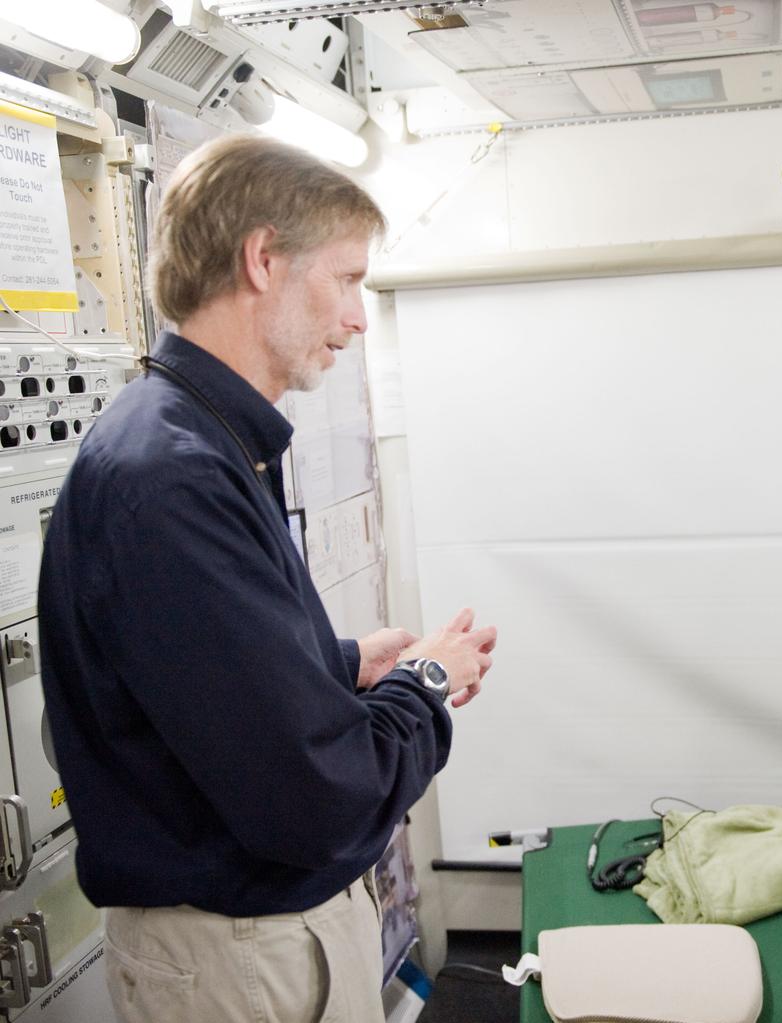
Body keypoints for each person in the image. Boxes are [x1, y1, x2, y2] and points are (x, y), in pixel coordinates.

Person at [37, 135, 497, 1022]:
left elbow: (200, 688)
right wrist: (427, 682)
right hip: (239, 962)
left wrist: (340, 663)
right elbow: (320, 801)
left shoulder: (194, 439)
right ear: (262, 259)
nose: (358, 318)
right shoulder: (171, 476)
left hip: (252, 946)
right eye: (347, 279)